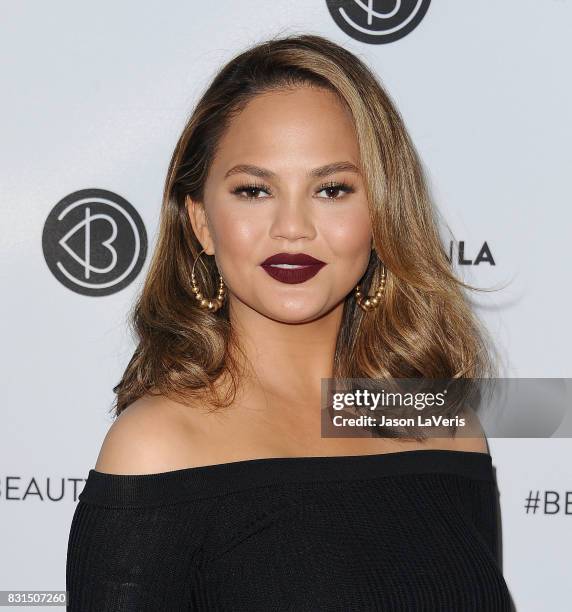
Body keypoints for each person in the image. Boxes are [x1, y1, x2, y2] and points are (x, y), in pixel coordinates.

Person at [66, 33, 514, 611]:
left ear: (381, 212)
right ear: (201, 222)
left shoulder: (440, 424)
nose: (293, 226)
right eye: (254, 190)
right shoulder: (158, 445)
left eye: (332, 189)